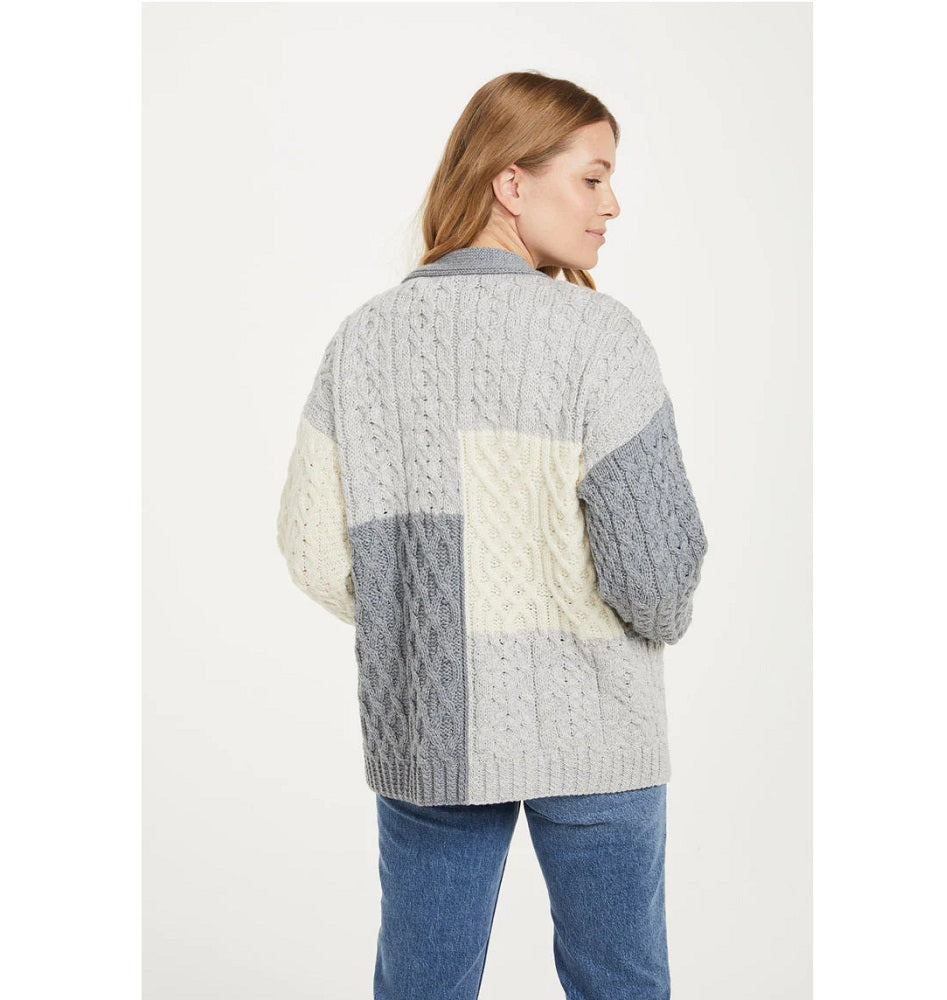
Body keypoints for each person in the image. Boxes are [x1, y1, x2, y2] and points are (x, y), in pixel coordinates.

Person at [276, 70, 709, 1000]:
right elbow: (657, 583)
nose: (612, 205)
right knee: (620, 984)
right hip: (597, 726)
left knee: (422, 984)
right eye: (592, 178)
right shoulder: (598, 337)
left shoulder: (364, 340)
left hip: (429, 722)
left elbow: (312, 547)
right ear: (512, 183)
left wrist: (421, 621)